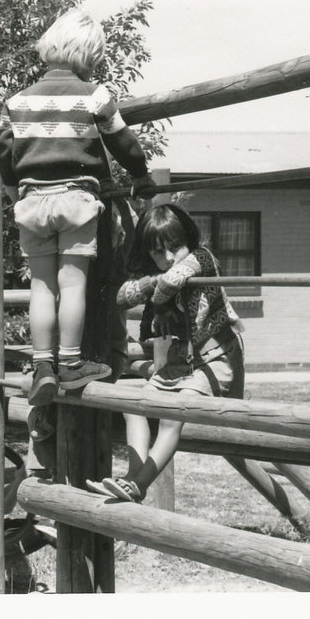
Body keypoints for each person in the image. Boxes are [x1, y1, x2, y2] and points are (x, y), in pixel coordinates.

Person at [0, 3, 158, 410]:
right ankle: (69, 364)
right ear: (90, 55)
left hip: (33, 201)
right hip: (77, 199)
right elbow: (123, 142)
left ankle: (42, 366)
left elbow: (1, 150)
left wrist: (15, 192)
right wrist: (140, 176)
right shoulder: (94, 94)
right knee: (73, 285)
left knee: (41, 288)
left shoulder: (16, 102)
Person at [87, 204, 245, 502]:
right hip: (180, 364)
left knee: (173, 413)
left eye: (175, 246)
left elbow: (172, 280)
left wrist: (153, 288)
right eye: (158, 252)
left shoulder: (202, 258)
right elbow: (123, 296)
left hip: (216, 359)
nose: (169, 257)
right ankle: (132, 479)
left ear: (189, 237)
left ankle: (138, 485)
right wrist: (150, 284)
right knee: (134, 404)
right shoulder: (161, 270)